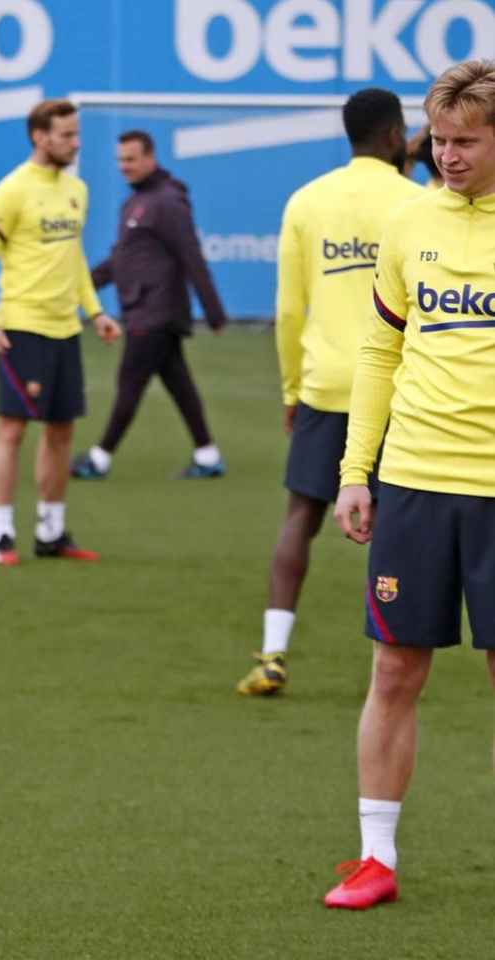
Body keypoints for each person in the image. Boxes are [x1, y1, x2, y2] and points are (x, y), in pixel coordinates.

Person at [322, 59, 495, 910]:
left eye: (468, 141)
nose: (449, 157)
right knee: (394, 670)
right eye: (441, 141)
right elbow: (380, 352)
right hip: (417, 485)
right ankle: (375, 859)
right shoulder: (408, 223)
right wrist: (357, 475)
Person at [236, 89, 421, 697]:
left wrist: (292, 388)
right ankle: (394, 658)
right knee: (399, 527)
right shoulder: (418, 203)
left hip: (324, 385)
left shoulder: (307, 201)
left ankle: (272, 654)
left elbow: (289, 310)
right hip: (397, 389)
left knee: (301, 518)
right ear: (395, 135)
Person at [0, 99, 121, 566]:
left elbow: (73, 257)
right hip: (21, 329)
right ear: (40, 137)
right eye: (67, 136)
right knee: (11, 431)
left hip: (65, 330)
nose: (76, 144)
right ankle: (2, 536)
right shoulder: (11, 191)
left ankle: (51, 533)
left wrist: (95, 311)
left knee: (61, 432)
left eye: (77, 135)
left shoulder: (76, 190)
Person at [71, 129, 229, 481]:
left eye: (130, 159)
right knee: (178, 383)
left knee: (130, 381)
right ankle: (207, 454)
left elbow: (192, 256)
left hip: (157, 311)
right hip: (143, 308)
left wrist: (213, 311)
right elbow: (119, 260)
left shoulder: (167, 201)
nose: (124, 166)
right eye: (120, 160)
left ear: (149, 158)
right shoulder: (135, 203)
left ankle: (99, 458)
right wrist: (79, 285)